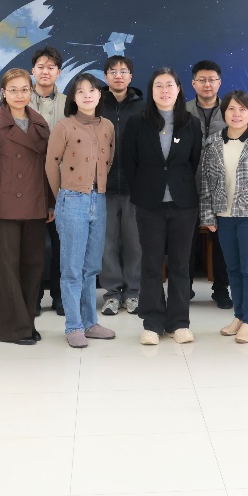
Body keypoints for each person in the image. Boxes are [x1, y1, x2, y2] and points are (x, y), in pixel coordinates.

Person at [125, 68, 203, 345]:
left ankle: (179, 323)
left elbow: (194, 162)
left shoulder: (191, 123)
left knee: (181, 265)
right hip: (149, 204)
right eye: (159, 85)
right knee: (150, 263)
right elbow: (129, 163)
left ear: (179, 89)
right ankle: (152, 322)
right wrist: (146, 189)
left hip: (184, 205)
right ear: (151, 90)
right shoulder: (137, 122)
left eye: (170, 85)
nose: (165, 90)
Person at [0, 69, 52, 345]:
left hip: (36, 204)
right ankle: (13, 329)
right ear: (3, 93)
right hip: (4, 207)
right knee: (7, 269)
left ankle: (27, 322)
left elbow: (47, 170)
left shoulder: (40, 123)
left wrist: (50, 203)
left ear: (31, 91)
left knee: (33, 265)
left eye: (24, 89)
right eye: (13, 90)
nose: (20, 95)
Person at [198, 90, 248, 343]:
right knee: (232, 268)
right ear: (224, 112)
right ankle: (239, 315)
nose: (236, 114)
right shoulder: (212, 142)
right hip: (223, 214)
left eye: (242, 109)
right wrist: (208, 216)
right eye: (231, 109)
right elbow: (206, 181)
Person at [47, 73, 117, 348]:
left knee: (92, 267)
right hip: (72, 199)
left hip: (99, 199)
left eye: (92, 90)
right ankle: (73, 325)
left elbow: (109, 161)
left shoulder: (108, 126)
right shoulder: (64, 126)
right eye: (80, 91)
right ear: (73, 98)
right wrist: (62, 197)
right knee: (72, 269)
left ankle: (90, 323)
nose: (87, 95)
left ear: (100, 95)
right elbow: (51, 164)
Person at [98, 55, 143, 316]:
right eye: (113, 71)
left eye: (123, 71)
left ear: (130, 77)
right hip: (103, 186)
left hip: (134, 187)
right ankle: (112, 294)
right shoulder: (96, 104)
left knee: (135, 243)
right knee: (107, 243)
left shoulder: (143, 107)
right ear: (105, 76)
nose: (118, 75)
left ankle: (133, 291)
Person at [186, 60, 231, 309]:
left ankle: (221, 289)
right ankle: (185, 288)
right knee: (186, 241)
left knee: (222, 241)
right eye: (202, 80)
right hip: (188, 186)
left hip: (221, 186)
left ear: (219, 82)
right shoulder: (181, 111)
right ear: (193, 83)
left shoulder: (230, 110)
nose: (207, 84)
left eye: (212, 79)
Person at [29, 46, 66, 316]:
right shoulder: (19, 100)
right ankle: (33, 297)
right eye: (41, 66)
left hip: (63, 184)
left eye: (51, 67)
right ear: (33, 70)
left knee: (63, 244)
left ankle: (60, 296)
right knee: (32, 246)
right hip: (28, 184)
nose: (45, 71)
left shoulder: (69, 103)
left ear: (58, 72)